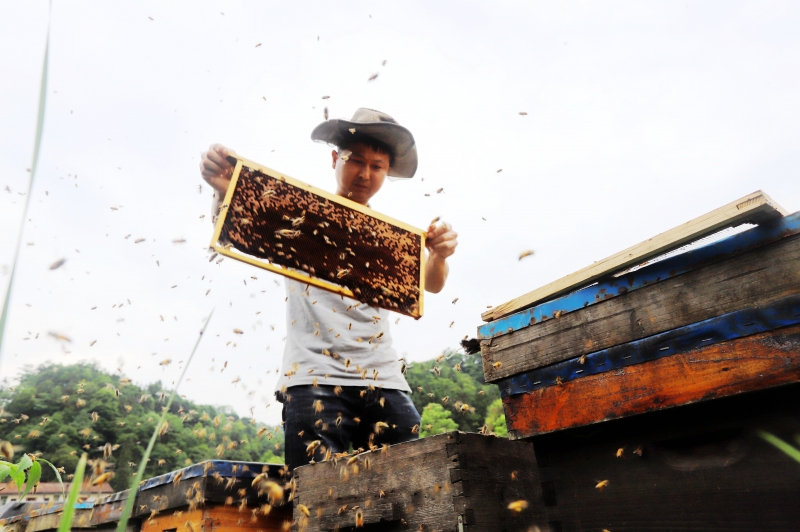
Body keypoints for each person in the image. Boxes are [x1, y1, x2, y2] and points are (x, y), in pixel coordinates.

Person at [199, 108, 458, 470]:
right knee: (315, 500)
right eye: (355, 160)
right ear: (335, 158)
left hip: (382, 375)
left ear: (386, 171)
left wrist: (440, 254)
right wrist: (226, 187)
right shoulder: (297, 217)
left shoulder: (391, 240)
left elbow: (430, 284)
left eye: (377, 166)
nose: (365, 174)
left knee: (412, 488)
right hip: (313, 375)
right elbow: (237, 225)